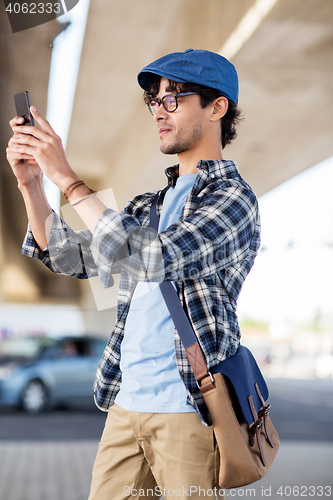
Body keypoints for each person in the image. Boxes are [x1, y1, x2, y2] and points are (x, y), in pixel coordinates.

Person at [6, 49, 261, 500]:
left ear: (217, 107)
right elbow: (70, 257)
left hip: (188, 409)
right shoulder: (149, 205)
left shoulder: (232, 199)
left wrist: (68, 179)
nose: (158, 113)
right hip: (125, 407)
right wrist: (33, 184)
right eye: (154, 101)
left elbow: (152, 258)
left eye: (173, 99)